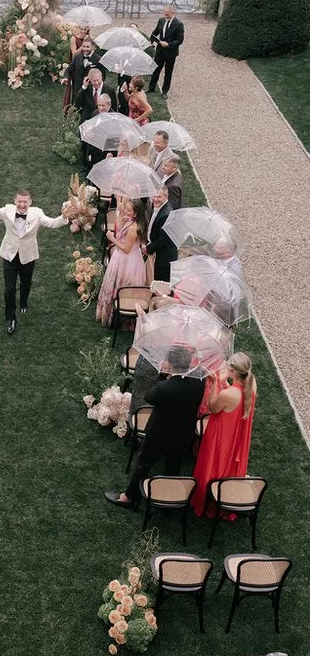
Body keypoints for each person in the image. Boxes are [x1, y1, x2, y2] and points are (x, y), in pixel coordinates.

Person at [105, 346, 205, 508]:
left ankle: (129, 497)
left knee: (144, 462)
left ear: (171, 365)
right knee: (174, 464)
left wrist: (162, 376)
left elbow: (149, 396)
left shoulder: (164, 388)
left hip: (160, 433)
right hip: (183, 433)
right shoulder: (200, 380)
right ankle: (169, 497)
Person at [0, 189, 67, 335]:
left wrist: (64, 216)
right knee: (9, 289)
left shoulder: (37, 213)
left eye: (25, 201)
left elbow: (53, 223)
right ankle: (11, 318)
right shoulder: (7, 211)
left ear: (30, 202)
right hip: (9, 255)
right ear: (15, 201)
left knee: (26, 283)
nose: (22, 204)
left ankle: (23, 301)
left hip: (28, 256)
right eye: (19, 201)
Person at [191, 354, 257, 517]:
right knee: (225, 464)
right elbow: (234, 394)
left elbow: (213, 407)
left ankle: (206, 500)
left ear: (234, 372)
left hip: (220, 436)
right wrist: (223, 383)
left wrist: (214, 383)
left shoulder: (228, 395)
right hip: (234, 436)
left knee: (212, 463)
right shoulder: (251, 389)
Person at [96, 198, 148, 327]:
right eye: (126, 207)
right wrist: (120, 221)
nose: (125, 210)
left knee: (121, 283)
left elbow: (126, 249)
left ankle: (119, 314)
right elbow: (122, 237)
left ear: (135, 214)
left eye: (128, 210)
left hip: (127, 260)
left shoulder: (133, 228)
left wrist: (112, 239)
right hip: (123, 257)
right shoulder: (129, 222)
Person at [148, 6, 184, 97]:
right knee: (155, 70)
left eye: (167, 14)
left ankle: (164, 91)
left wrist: (168, 44)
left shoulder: (179, 24)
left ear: (173, 12)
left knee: (168, 73)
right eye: (165, 14)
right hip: (160, 50)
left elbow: (180, 40)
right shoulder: (161, 20)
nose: (166, 16)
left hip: (170, 53)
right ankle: (151, 87)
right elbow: (155, 32)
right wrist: (151, 41)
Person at [145, 186, 177, 282]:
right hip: (157, 251)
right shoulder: (157, 206)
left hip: (163, 258)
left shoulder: (166, 214)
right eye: (154, 196)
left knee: (158, 284)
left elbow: (162, 240)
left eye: (159, 197)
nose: (155, 199)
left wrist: (148, 249)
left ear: (166, 197)